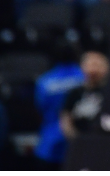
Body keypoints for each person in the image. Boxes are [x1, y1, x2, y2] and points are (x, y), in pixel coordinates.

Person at [33, 41, 85, 170]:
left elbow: (40, 108)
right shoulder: (84, 78)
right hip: (78, 141)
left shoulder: (44, 81)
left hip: (49, 142)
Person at [60, 51, 110, 139]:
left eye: (98, 65)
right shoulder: (75, 93)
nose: (94, 70)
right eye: (90, 65)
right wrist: (77, 139)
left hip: (104, 140)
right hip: (79, 140)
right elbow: (66, 119)